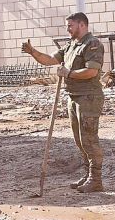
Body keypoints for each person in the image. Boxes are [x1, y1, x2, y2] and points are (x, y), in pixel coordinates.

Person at [21, 12, 105, 192]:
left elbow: (91, 72)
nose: (68, 29)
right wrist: (33, 52)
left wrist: (69, 74)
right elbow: (50, 60)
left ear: (82, 25)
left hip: (88, 97)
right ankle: (87, 174)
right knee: (79, 140)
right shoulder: (71, 46)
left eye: (70, 25)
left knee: (89, 139)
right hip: (74, 96)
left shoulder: (92, 44)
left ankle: (96, 179)